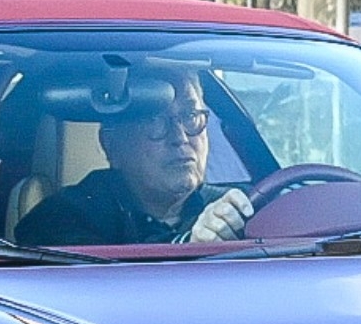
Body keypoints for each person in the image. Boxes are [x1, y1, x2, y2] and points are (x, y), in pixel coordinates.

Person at [14, 72, 254, 247]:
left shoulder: (233, 205)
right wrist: (189, 245)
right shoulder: (61, 216)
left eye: (190, 116)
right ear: (111, 145)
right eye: (154, 120)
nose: (180, 137)